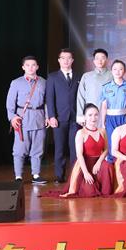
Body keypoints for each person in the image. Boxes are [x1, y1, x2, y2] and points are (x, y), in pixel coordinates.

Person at [6, 56, 48, 184]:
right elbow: (10, 103)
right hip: (22, 119)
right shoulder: (16, 83)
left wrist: (47, 116)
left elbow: (47, 102)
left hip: (39, 118)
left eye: (33, 65)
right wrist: (12, 117)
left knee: (38, 149)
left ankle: (36, 175)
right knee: (19, 150)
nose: (31, 67)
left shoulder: (43, 82)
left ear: (37, 67)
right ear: (23, 67)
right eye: (28, 65)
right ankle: (18, 176)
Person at [59, 104, 114, 197]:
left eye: (96, 115)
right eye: (90, 115)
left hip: (98, 164)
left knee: (108, 166)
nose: (93, 118)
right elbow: (79, 155)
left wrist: (99, 162)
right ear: (85, 117)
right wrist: (85, 173)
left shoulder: (102, 131)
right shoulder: (80, 133)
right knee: (90, 192)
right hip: (85, 164)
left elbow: (106, 149)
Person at [46, 48, 80, 183]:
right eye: (63, 58)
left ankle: (74, 176)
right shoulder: (53, 77)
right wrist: (51, 116)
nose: (66, 61)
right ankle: (59, 176)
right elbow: (49, 98)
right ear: (59, 60)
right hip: (59, 118)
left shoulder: (79, 76)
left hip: (76, 118)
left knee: (75, 149)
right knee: (59, 149)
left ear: (72, 60)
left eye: (68, 58)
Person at [100, 60, 126, 161]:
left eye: (120, 69)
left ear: (124, 71)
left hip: (125, 117)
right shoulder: (106, 87)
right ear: (111, 71)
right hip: (110, 119)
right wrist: (103, 122)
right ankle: (111, 165)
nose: (117, 71)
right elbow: (104, 106)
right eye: (115, 69)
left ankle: (123, 165)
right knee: (111, 142)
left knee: (124, 141)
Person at [76, 48, 112, 126]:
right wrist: (80, 116)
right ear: (94, 61)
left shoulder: (113, 75)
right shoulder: (86, 76)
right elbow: (80, 96)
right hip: (90, 113)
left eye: (102, 58)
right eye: (97, 58)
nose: (100, 61)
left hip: (108, 113)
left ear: (107, 60)